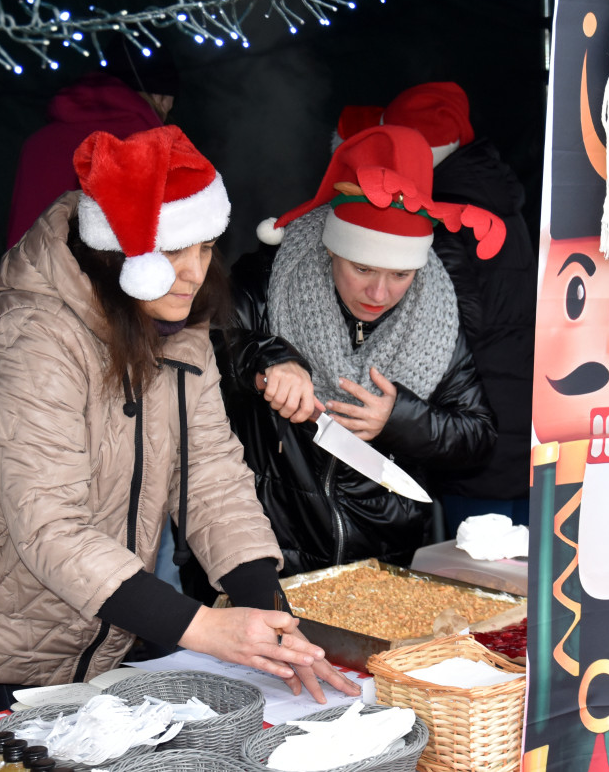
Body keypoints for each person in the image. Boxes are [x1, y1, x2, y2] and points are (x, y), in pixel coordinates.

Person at [0, 125, 360, 720]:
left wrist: (267, 616)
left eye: (205, 248)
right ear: (118, 253)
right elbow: (51, 527)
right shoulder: (33, 337)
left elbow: (211, 476)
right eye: (174, 251)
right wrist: (208, 628)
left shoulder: (180, 333)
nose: (193, 273)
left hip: (58, 642)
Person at [215, 125, 502, 578]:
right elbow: (205, 343)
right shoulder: (270, 281)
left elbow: (477, 436)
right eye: (362, 267)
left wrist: (401, 421)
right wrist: (266, 358)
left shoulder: (434, 313)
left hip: (383, 559)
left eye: (401, 274)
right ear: (332, 250)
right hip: (268, 547)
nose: (380, 292)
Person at [378, 81, 537, 534]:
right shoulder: (496, 196)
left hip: (478, 427)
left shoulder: (445, 212)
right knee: (525, 572)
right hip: (521, 415)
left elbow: (455, 322)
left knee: (480, 576)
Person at [5, 35, 178, 249]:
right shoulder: (152, 147)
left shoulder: (37, 144)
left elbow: (19, 241)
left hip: (33, 279)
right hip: (113, 281)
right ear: (162, 96)